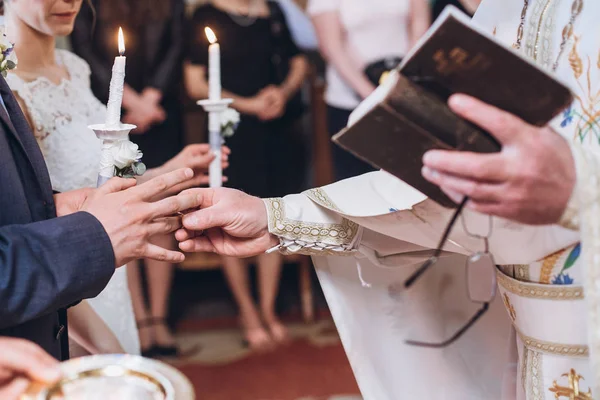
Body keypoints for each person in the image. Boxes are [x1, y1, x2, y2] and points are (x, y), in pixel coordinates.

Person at [176, 0, 600, 397]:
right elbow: (448, 198)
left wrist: (579, 188)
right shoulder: (505, 14)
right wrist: (274, 214)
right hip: (533, 348)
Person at [3, 0, 228, 358]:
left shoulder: (74, 67)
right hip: (67, 288)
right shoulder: (9, 86)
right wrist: (99, 345)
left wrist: (168, 172)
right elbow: (34, 227)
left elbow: (98, 188)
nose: (70, 1)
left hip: (111, 266)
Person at [185, 0, 309, 350]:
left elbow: (298, 61)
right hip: (233, 132)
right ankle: (248, 311)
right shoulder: (206, 15)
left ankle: (269, 310)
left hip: (278, 130)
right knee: (230, 220)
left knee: (273, 216)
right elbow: (195, 83)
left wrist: (281, 93)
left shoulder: (271, 9)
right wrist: (248, 104)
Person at [70, 0, 189, 358]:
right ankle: (138, 317)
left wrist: (152, 98)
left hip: (162, 111)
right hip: (110, 108)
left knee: (159, 205)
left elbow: (176, 43)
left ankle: (159, 316)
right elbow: (84, 48)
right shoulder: (89, 4)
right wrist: (130, 101)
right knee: (123, 205)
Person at [308, 0, 430, 180]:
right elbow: (332, 47)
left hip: (403, 95)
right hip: (350, 102)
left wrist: (404, 81)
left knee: (406, 182)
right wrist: (375, 96)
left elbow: (419, 24)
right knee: (356, 185)